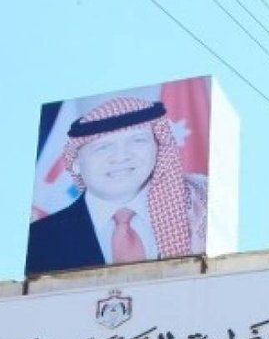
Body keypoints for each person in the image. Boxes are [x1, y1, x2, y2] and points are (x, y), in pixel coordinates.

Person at [25, 96, 206, 276]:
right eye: (103, 147)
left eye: (137, 140)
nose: (121, 157)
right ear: (76, 163)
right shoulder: (37, 240)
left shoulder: (200, 213)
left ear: (159, 147)